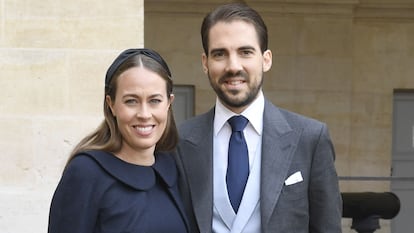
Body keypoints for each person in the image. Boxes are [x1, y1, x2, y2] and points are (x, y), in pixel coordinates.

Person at [175, 3, 342, 233]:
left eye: (245, 52)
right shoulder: (180, 141)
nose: (233, 67)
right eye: (220, 54)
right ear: (205, 63)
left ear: (266, 59)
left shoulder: (310, 138)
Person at [48, 48, 189, 233]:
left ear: (169, 103)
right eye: (131, 101)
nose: (144, 114)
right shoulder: (86, 173)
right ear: (111, 104)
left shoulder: (174, 167)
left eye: (155, 100)